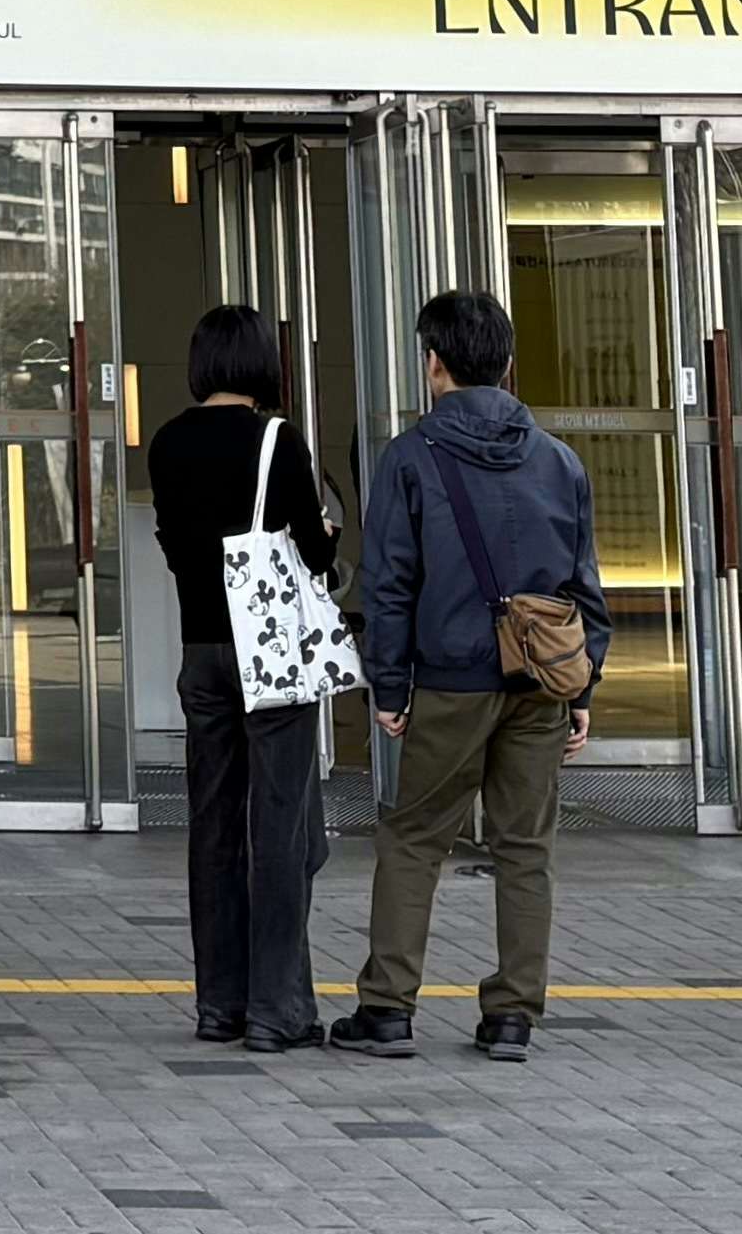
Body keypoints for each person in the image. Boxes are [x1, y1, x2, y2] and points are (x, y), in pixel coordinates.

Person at [334, 287, 606, 1064]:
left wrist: (388, 686)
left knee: (414, 838)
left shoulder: (410, 456)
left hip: (450, 680)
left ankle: (387, 1008)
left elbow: (389, 583)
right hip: (539, 682)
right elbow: (583, 585)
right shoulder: (557, 459)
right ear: (508, 363)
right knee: (525, 847)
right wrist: (582, 686)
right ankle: (513, 1015)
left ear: (433, 363)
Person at [148, 305, 340, 1051]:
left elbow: (174, 545)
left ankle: (218, 1003)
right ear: (262, 362)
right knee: (280, 826)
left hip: (201, 649)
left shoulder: (167, 441)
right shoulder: (275, 439)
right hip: (270, 651)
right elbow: (315, 555)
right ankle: (277, 1009)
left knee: (214, 824)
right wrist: (323, 533)